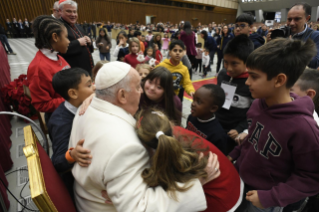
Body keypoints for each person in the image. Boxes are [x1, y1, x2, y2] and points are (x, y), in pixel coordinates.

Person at [69, 61, 217, 212]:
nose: (142, 91)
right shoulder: (127, 146)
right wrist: (196, 183)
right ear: (121, 95)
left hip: (85, 195)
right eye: (138, 86)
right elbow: (140, 208)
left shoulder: (86, 105)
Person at [228, 38, 319, 212]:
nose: (247, 82)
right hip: (239, 180)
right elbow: (252, 140)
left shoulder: (304, 128)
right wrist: (234, 154)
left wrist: (270, 197)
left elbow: (311, 177)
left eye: (254, 77)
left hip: (265, 199)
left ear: (278, 80)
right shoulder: (256, 105)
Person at [48, 67, 95, 201]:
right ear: (73, 93)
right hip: (76, 182)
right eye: (89, 85)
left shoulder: (81, 103)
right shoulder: (61, 122)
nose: (94, 87)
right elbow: (58, 162)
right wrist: (72, 154)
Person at [27, 15, 70, 124]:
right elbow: (41, 104)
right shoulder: (38, 68)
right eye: (66, 37)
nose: (69, 41)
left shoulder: (57, 56)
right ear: (55, 37)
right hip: (60, 119)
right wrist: (74, 98)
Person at [216, 35, 254, 154]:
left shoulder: (251, 83)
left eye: (234, 63)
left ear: (247, 63)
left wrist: (240, 128)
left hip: (234, 131)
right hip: (217, 123)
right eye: (225, 62)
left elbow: (253, 112)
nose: (229, 68)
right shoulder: (223, 74)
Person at [267, 2, 319, 69]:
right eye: (289, 19)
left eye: (297, 19)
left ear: (307, 18)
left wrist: (292, 46)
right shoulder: (281, 33)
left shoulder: (315, 36)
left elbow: (315, 63)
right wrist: (269, 45)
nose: (291, 23)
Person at [186, 84, 227, 154]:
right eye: (193, 99)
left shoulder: (217, 135)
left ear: (213, 108)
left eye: (198, 102)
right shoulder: (191, 117)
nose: (193, 104)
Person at [59, 0, 94, 75]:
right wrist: (78, 43)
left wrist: (89, 42)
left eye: (75, 12)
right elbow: (59, 50)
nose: (73, 14)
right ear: (60, 11)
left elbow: (88, 48)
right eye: (69, 11)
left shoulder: (78, 26)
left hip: (88, 68)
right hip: (74, 72)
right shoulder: (58, 27)